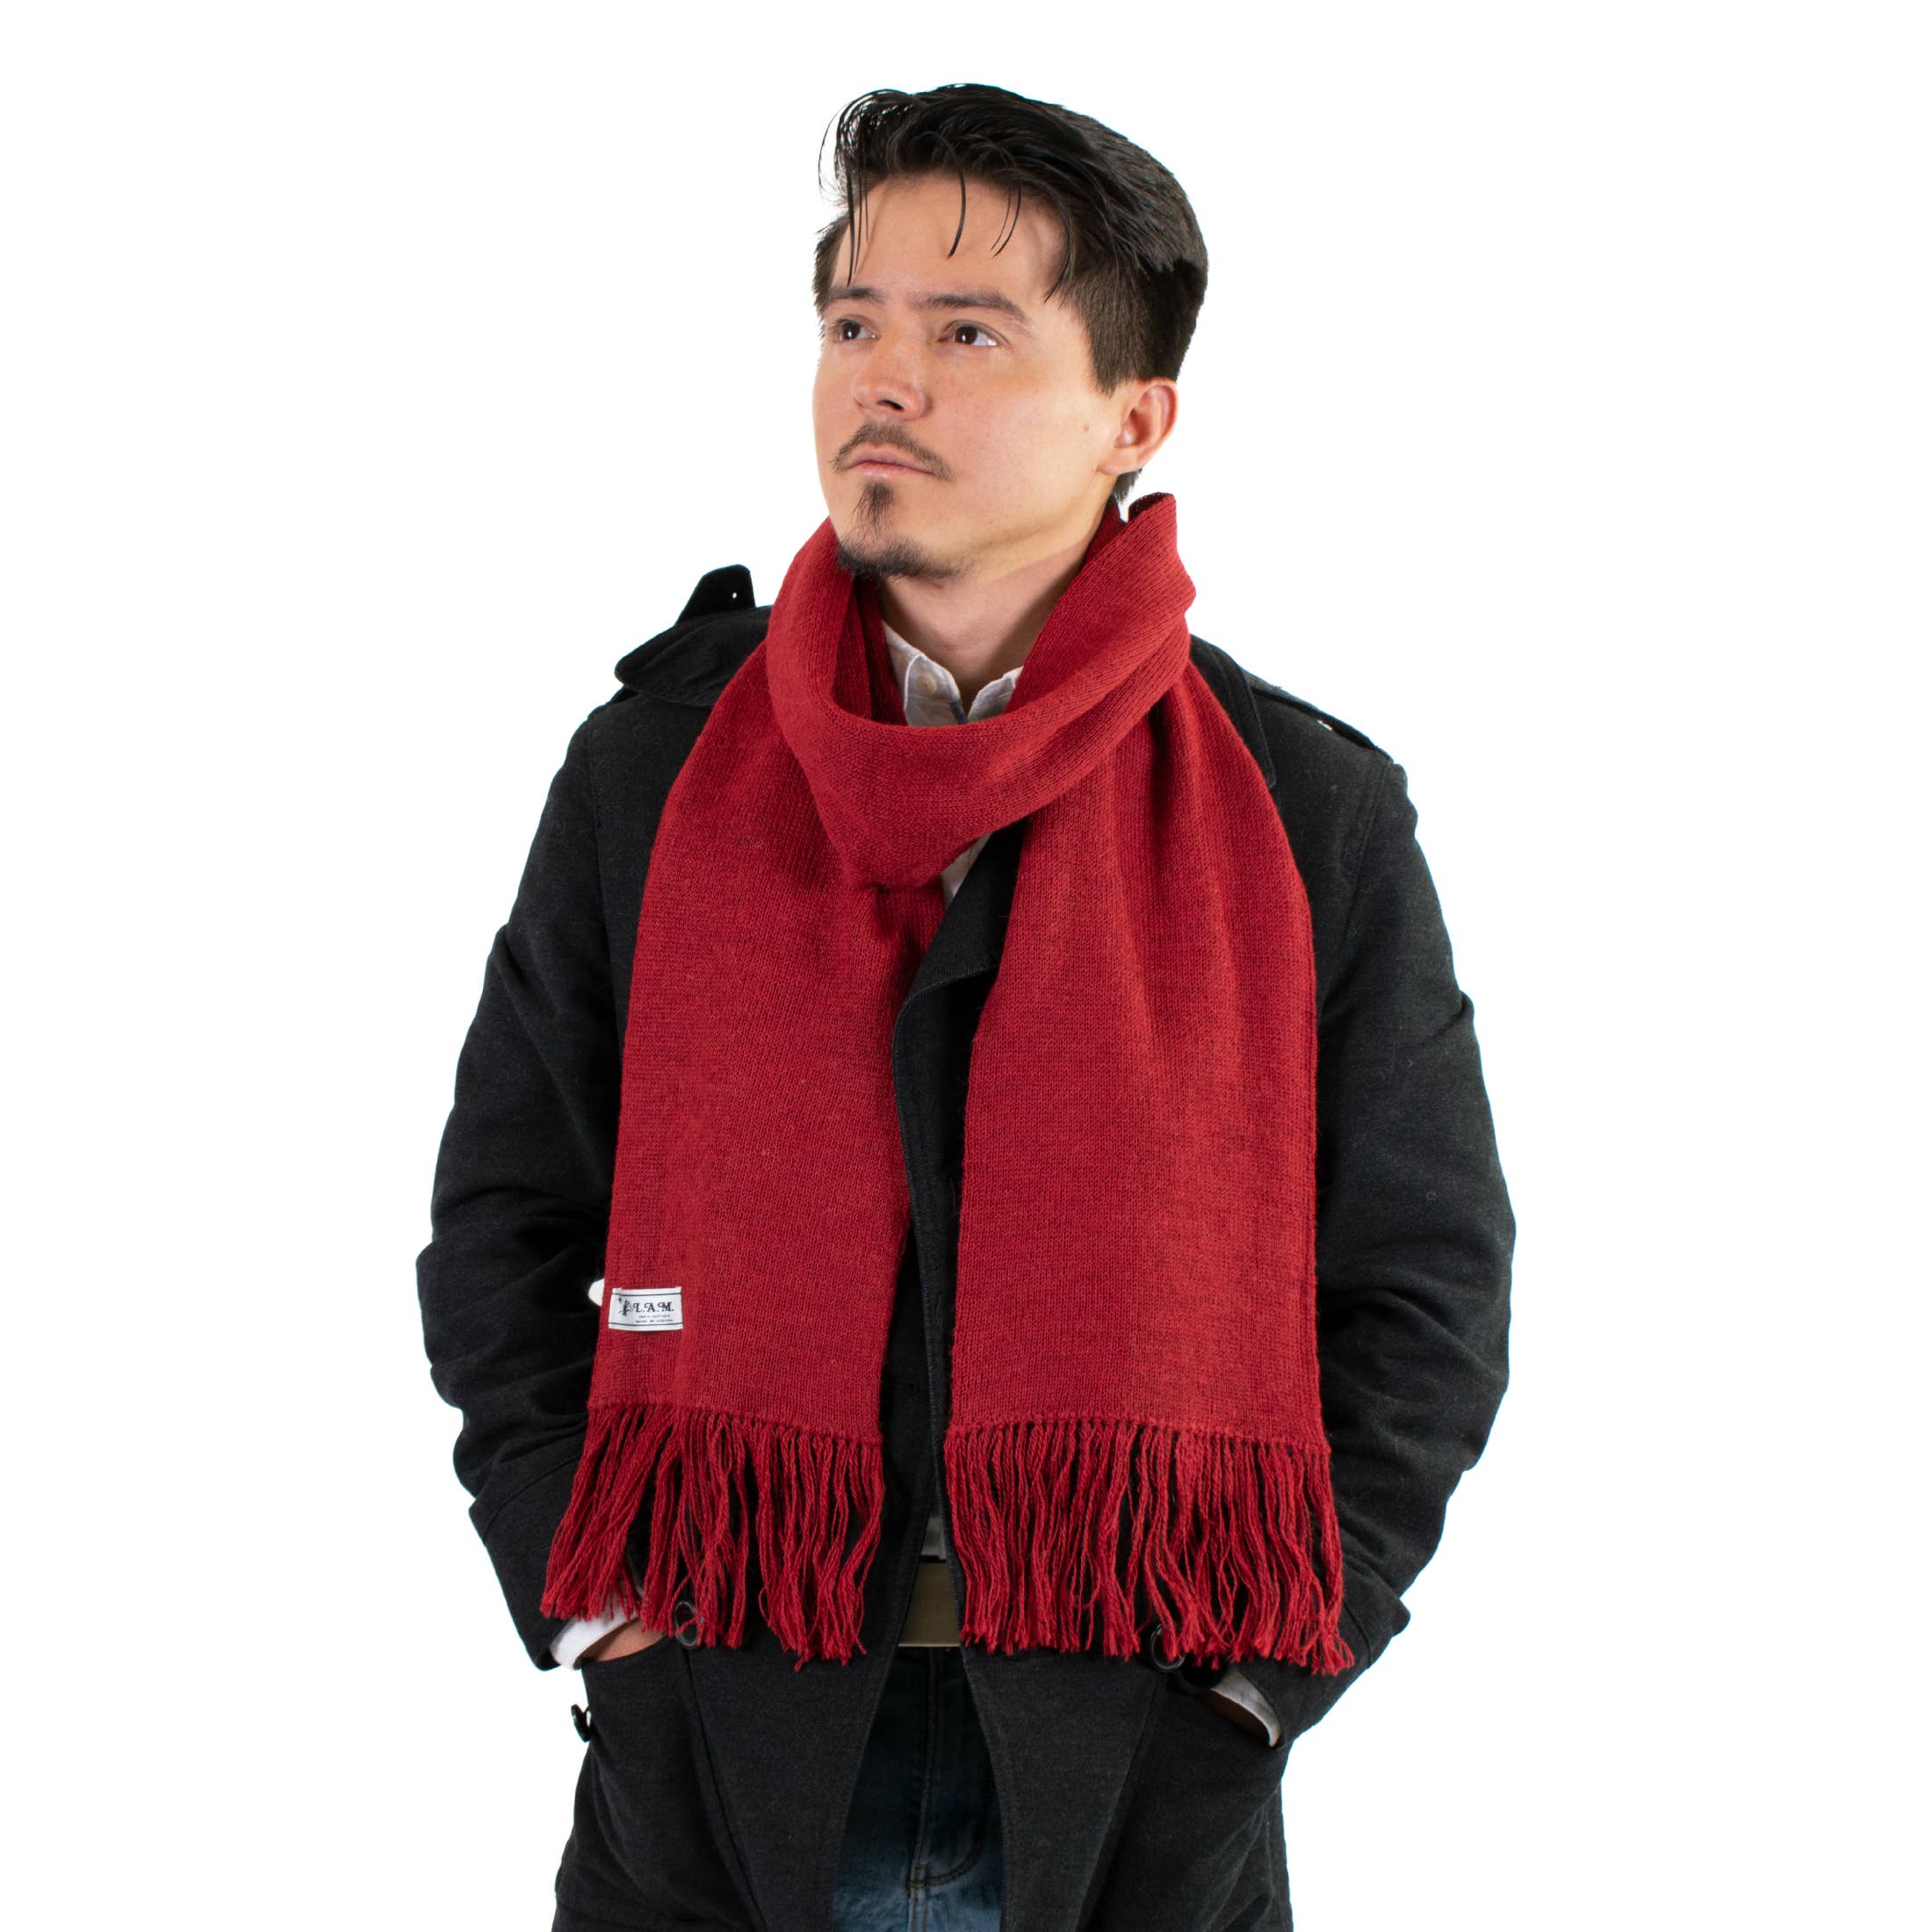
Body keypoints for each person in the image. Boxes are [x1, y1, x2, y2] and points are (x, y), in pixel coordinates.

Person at [416, 81, 1515, 1932]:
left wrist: (1250, 1697)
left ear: (1133, 416)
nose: (883, 381)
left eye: (966, 333)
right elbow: (504, 1226)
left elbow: (1423, 1289)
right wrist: (602, 1617)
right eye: (852, 323)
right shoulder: (656, 773)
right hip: (721, 1754)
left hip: (1125, 1776)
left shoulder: (1299, 808)